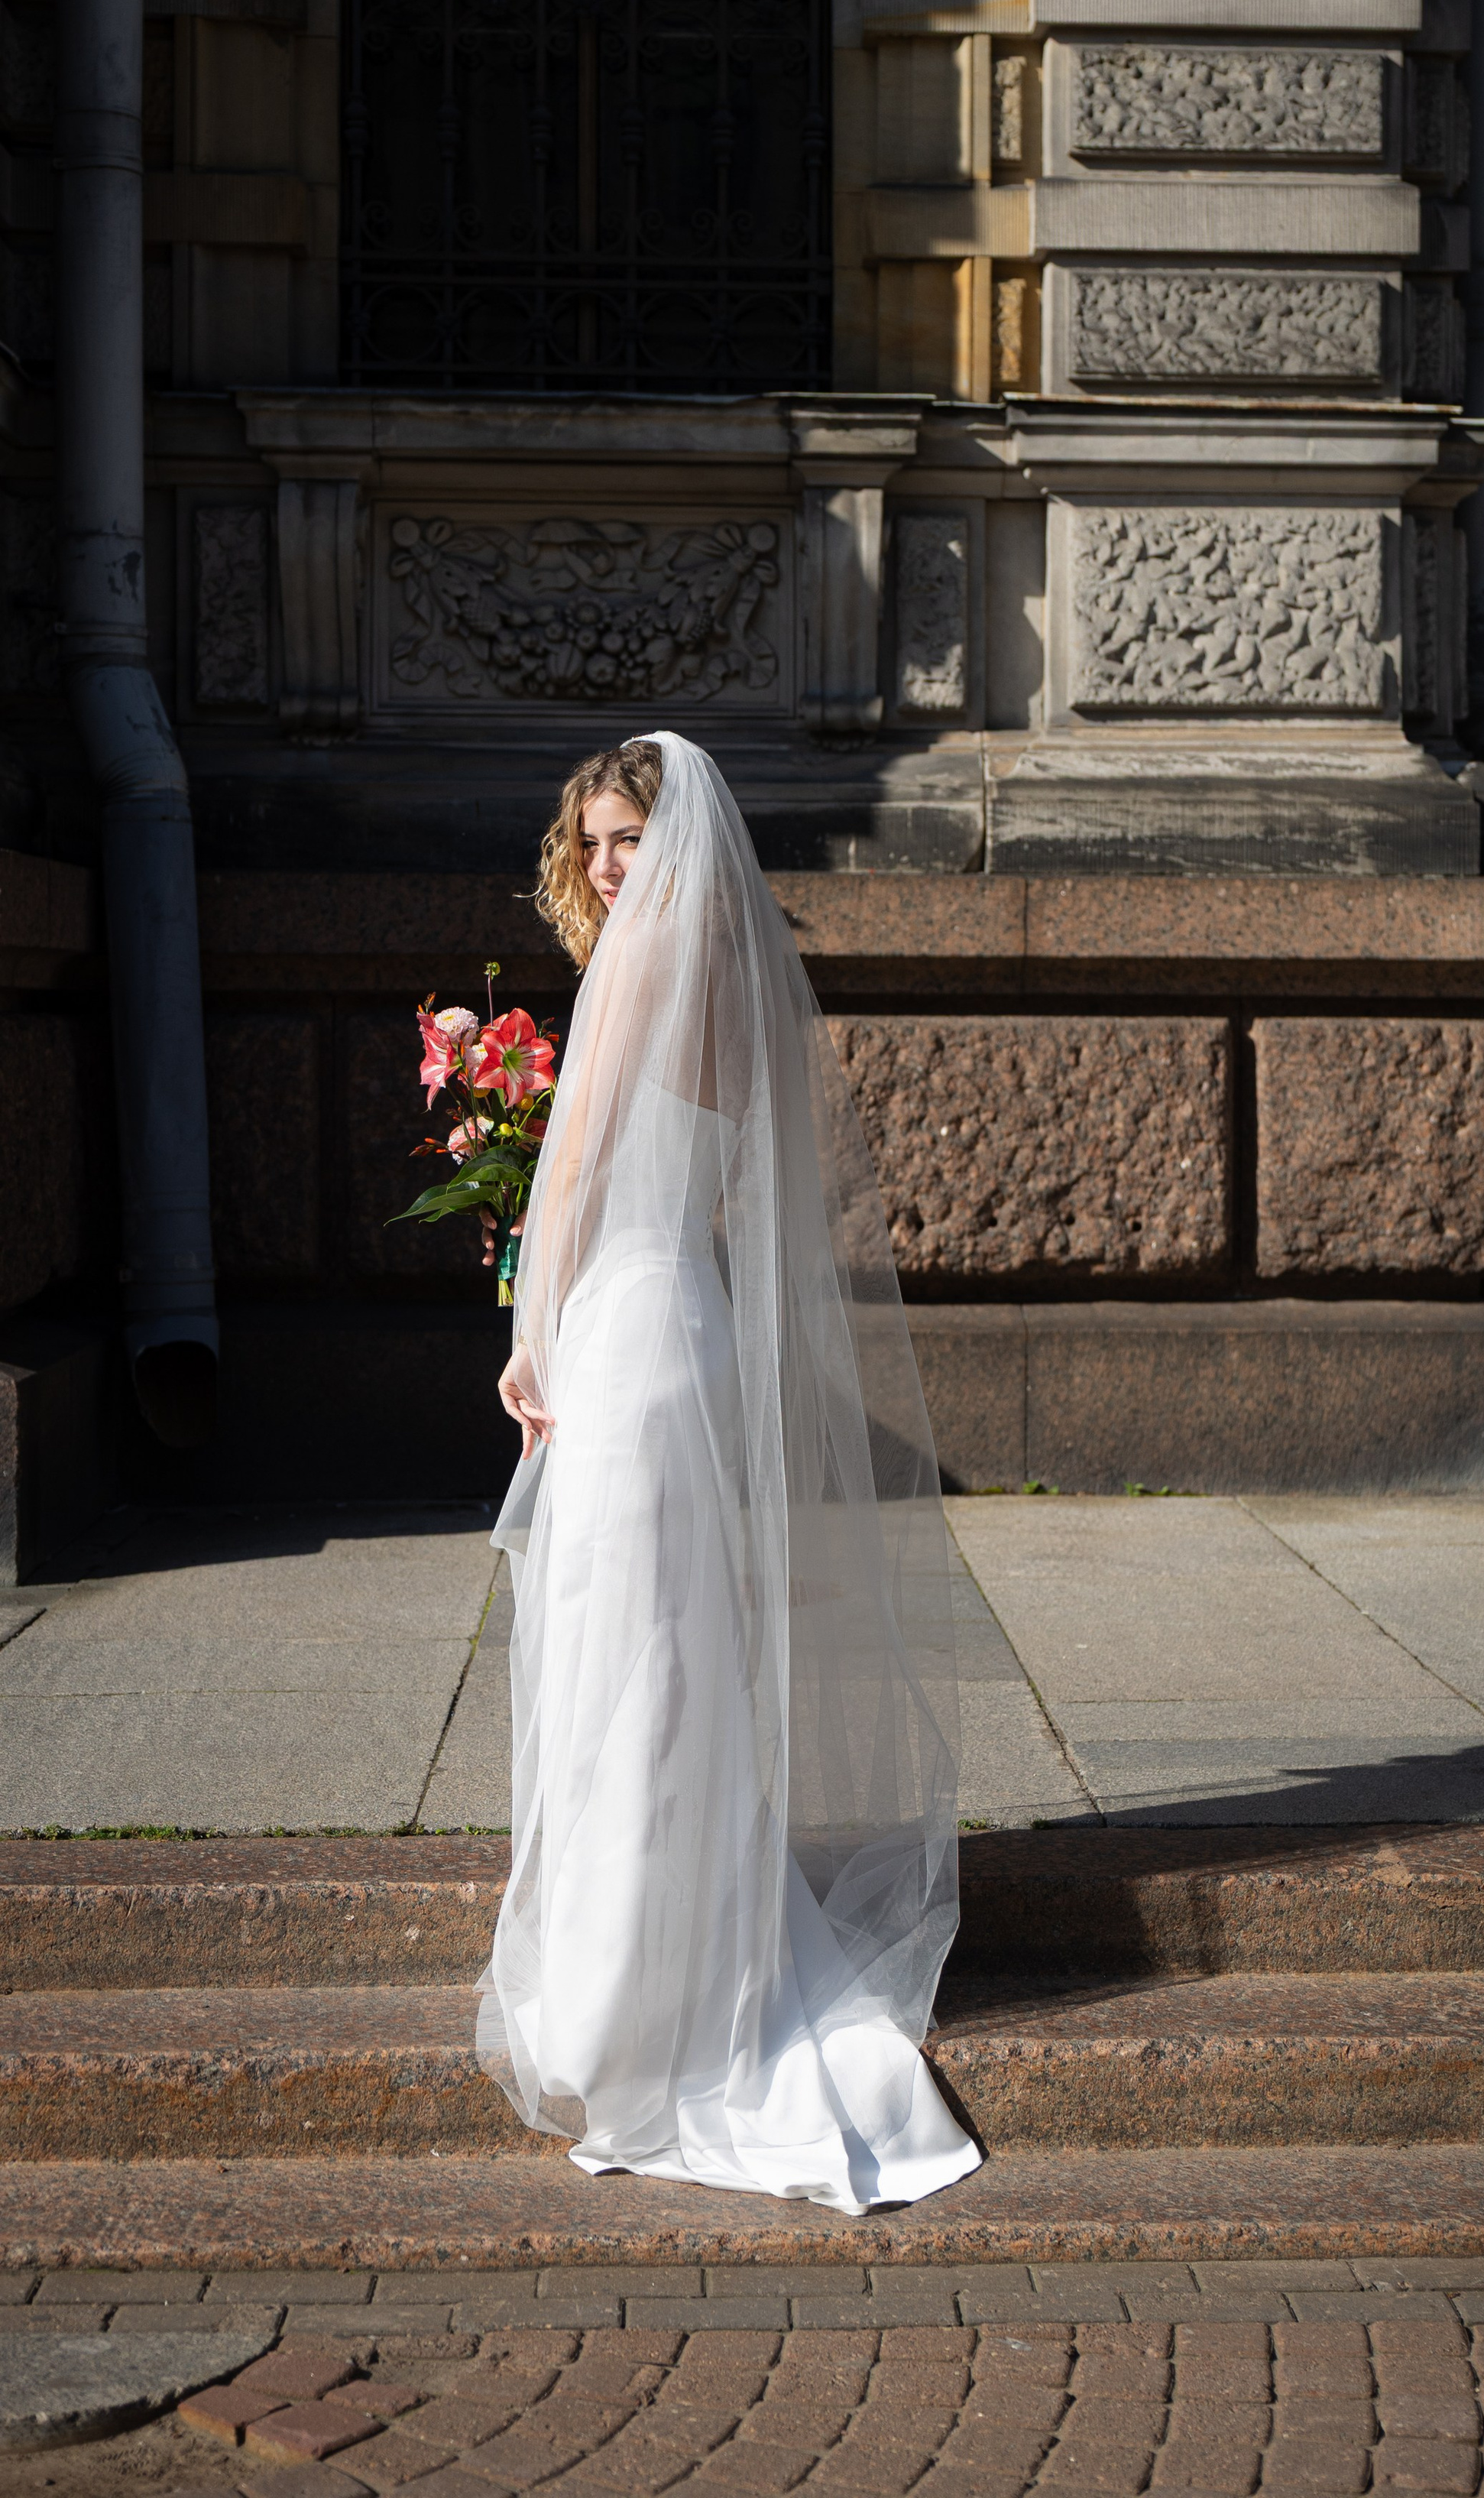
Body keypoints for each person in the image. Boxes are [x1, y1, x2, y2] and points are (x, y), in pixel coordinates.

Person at [479, 731, 981, 2213]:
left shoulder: (643, 961)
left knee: (631, 1657)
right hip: (678, 1318)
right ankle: (668, 1959)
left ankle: (631, 2007)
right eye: (591, 842)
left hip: (627, 1331)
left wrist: (529, 1330)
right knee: (664, 1652)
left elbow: (580, 1162)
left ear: (677, 839)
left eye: (627, 837)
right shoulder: (734, 971)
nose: (606, 866)